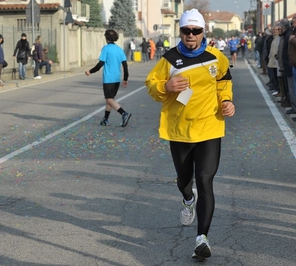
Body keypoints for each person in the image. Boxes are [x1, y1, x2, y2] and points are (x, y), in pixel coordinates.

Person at [145, 8, 235, 261]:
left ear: (203, 32)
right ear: (180, 32)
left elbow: (224, 82)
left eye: (196, 31)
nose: (191, 35)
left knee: (205, 179)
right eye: (186, 30)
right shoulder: (169, 59)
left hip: (209, 127)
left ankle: (201, 238)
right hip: (179, 129)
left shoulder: (216, 57)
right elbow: (151, 86)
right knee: (184, 181)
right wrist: (166, 86)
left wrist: (227, 101)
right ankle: (187, 199)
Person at [85, 29, 131, 127]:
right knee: (110, 99)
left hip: (108, 79)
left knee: (109, 100)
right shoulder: (119, 50)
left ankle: (124, 113)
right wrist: (125, 78)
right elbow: (125, 65)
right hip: (116, 79)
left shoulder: (106, 49)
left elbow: (100, 64)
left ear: (106, 38)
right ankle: (105, 119)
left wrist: (90, 71)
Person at [279, 18, 296, 110]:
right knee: (289, 86)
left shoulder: (288, 35)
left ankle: (293, 105)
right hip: (287, 64)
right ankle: (290, 102)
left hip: (289, 64)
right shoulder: (286, 35)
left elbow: (288, 51)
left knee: (292, 87)